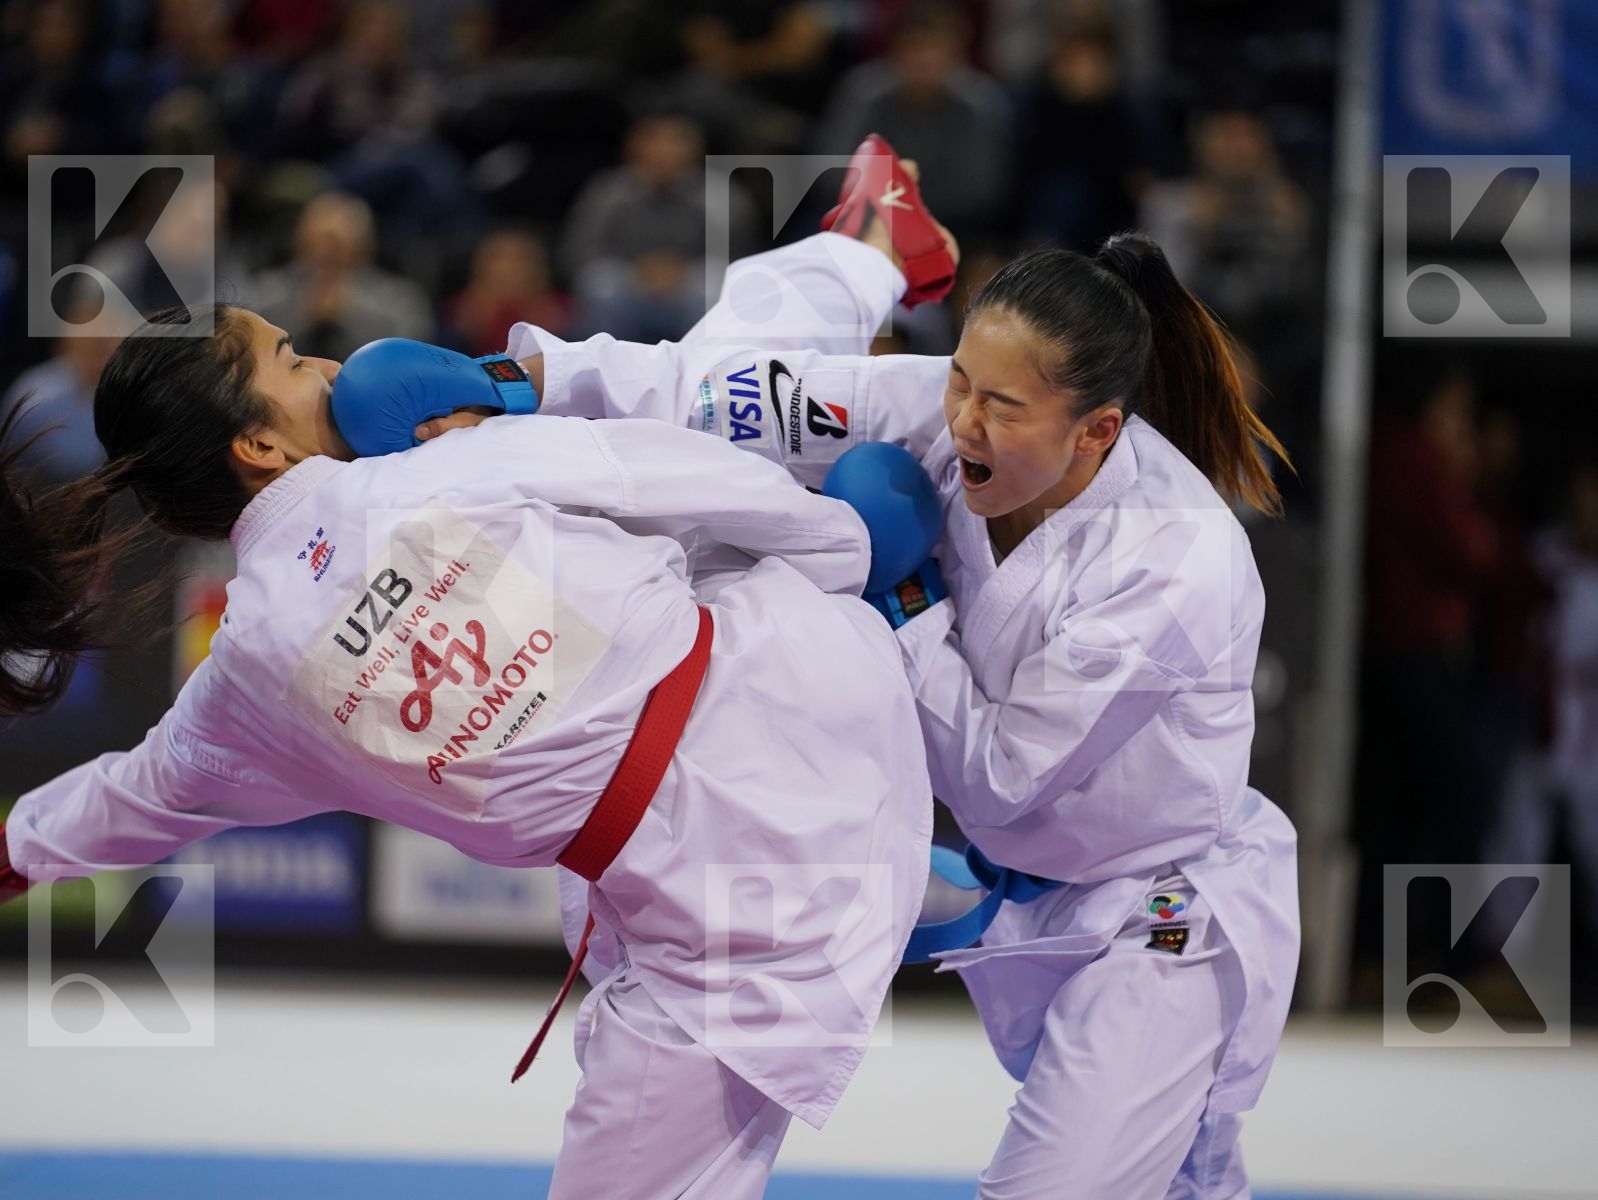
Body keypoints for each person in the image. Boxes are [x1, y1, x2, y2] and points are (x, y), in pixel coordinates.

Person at [421, 142, 1300, 1198]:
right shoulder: (932, 410)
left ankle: (873, 240)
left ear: (1095, 432)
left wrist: (906, 608)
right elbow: (717, 395)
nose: (961, 419)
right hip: (1030, 890)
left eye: (1001, 408)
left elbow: (1004, 783)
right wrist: (530, 382)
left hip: (1159, 905)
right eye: (960, 382)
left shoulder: (1172, 560)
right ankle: (872, 244)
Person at [0, 262, 933, 1196]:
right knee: (704, 388)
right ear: (258, 443)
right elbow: (667, 466)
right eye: (288, 358)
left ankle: (858, 260)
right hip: (819, 701)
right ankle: (859, 253)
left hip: (733, 916)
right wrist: (852, 555)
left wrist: (13, 854)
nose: (328, 364)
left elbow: (140, 793)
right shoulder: (436, 469)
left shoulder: (245, 679)